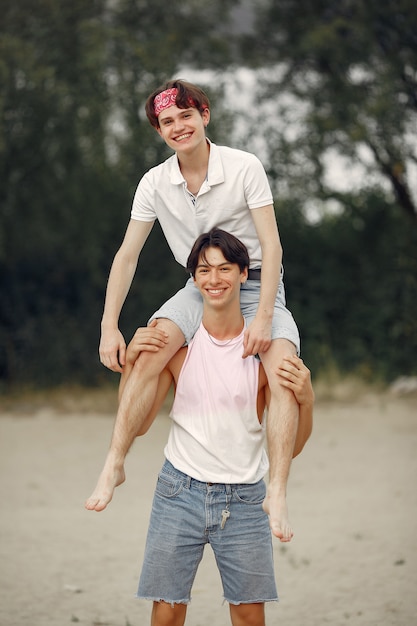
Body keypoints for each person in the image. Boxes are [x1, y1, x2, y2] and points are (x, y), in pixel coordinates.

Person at [89, 79, 301, 540]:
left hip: (257, 281)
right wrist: (110, 327)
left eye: (187, 115)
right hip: (198, 286)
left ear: (204, 115)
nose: (179, 126)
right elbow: (127, 256)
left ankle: (278, 490)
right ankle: (114, 462)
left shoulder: (244, 166)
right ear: (160, 131)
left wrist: (263, 316)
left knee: (284, 369)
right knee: (151, 348)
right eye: (168, 121)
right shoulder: (154, 182)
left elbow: (272, 244)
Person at [88, 229, 313, 626]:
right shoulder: (179, 353)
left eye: (225, 269)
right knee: (167, 614)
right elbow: (137, 425)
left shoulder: (263, 360)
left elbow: (291, 447)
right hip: (179, 492)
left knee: (247, 617)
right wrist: (130, 367)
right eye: (205, 270)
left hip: (246, 500)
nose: (214, 279)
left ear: (245, 274)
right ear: (193, 279)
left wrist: (306, 399)